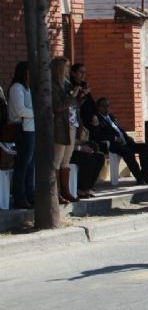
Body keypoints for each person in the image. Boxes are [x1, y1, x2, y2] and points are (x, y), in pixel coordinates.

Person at [91, 97, 148, 185]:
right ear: (99, 107)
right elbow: (99, 135)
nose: (106, 108)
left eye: (108, 106)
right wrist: (115, 138)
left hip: (126, 142)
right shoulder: (97, 118)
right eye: (104, 106)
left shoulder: (111, 117)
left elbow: (119, 129)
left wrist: (126, 137)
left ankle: (146, 175)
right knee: (127, 152)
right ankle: (139, 177)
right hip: (113, 144)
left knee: (144, 147)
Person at [52, 56, 83, 203]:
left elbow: (73, 104)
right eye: (66, 66)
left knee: (66, 160)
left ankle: (66, 191)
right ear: (59, 68)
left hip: (71, 124)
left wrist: (80, 96)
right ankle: (56, 193)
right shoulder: (53, 85)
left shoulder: (67, 83)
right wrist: (71, 96)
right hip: (60, 126)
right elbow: (58, 107)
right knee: (57, 159)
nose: (69, 69)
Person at [7, 62, 35, 209]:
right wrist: (38, 111)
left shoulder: (28, 88)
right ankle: (20, 197)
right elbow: (20, 111)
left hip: (31, 129)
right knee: (23, 165)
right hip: (22, 130)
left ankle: (30, 195)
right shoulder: (17, 88)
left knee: (30, 166)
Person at [69, 63, 97, 127]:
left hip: (90, 117)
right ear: (73, 73)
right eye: (81, 72)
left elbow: (91, 101)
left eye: (84, 72)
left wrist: (94, 115)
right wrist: (82, 94)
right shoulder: (70, 85)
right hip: (78, 119)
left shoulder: (84, 84)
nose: (83, 74)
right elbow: (74, 103)